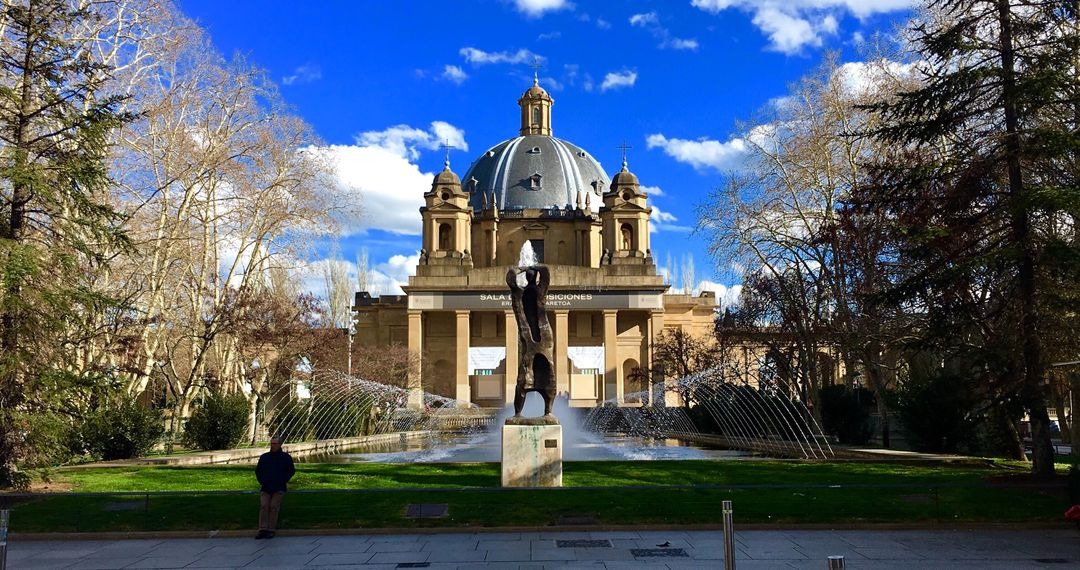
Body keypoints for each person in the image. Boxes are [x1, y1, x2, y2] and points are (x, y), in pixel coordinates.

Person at [254, 436, 295, 539]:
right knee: (264, 506)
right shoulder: (265, 457)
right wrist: (262, 480)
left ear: (280, 444)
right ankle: (262, 529)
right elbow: (258, 470)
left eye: (275, 444)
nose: (273, 446)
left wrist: (283, 479)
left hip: (279, 487)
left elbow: (291, 471)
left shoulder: (286, 458)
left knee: (273, 507)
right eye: (271, 444)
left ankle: (271, 529)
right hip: (266, 486)